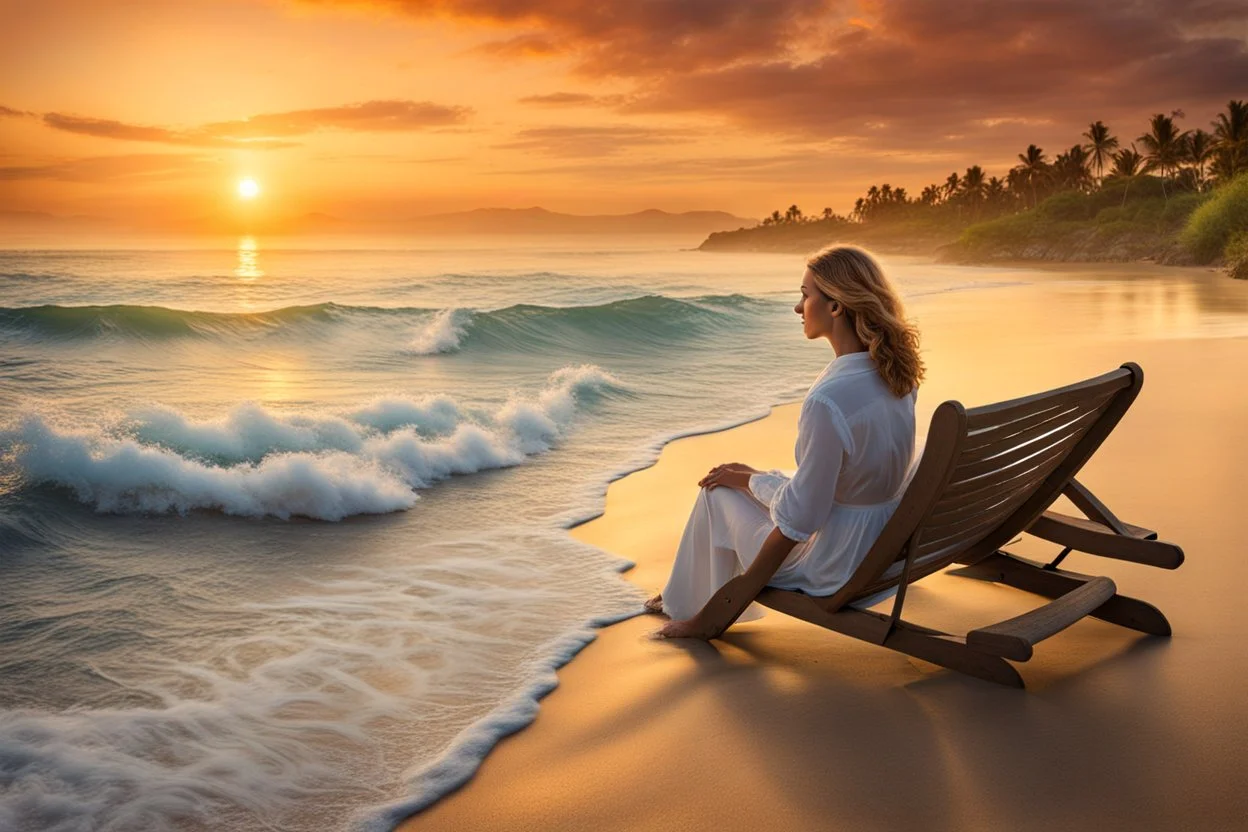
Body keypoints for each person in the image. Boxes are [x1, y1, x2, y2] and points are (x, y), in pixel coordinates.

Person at [648, 245, 923, 640]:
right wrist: (758, 478)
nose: (798, 307)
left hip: (834, 565)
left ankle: (690, 608)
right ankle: (680, 594)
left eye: (805, 295)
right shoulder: (898, 376)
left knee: (718, 492)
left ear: (835, 307)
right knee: (760, 479)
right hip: (881, 547)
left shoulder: (827, 400)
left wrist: (715, 619)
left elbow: (799, 522)